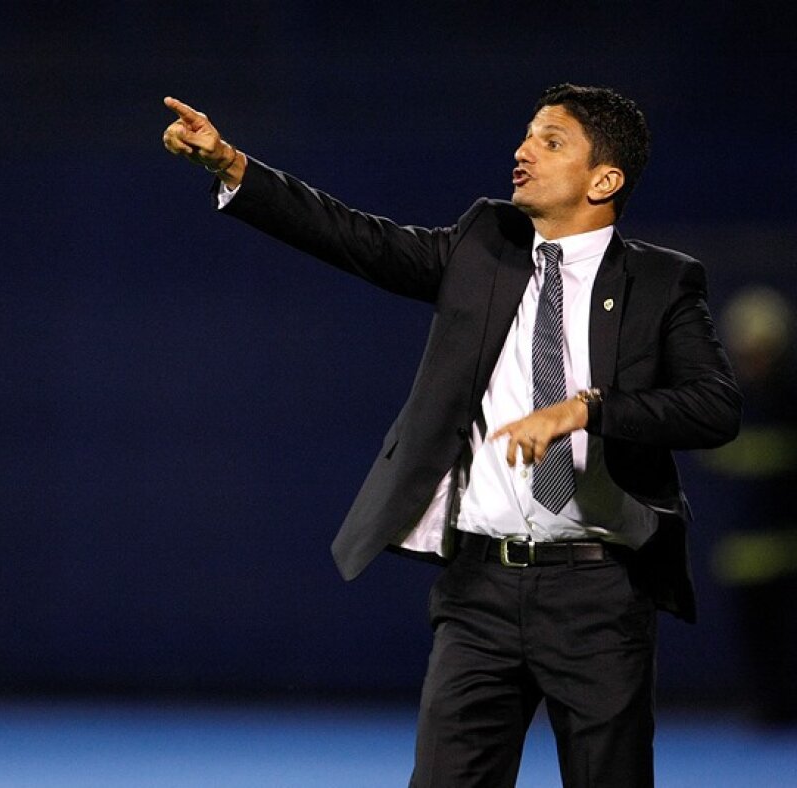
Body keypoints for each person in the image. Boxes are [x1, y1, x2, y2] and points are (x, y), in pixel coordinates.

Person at [162, 84, 742, 787]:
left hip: (599, 595)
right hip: (479, 593)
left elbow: (714, 408)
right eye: (527, 135)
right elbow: (355, 237)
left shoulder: (662, 281)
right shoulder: (483, 245)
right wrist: (232, 164)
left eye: (551, 141)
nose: (523, 151)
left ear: (604, 180)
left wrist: (587, 410)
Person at [701, 285, 797, 725]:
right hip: (743, 558)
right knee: (759, 640)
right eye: (745, 351)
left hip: (786, 554)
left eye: (760, 351)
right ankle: (767, 706)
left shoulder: (786, 402)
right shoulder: (729, 402)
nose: (751, 359)